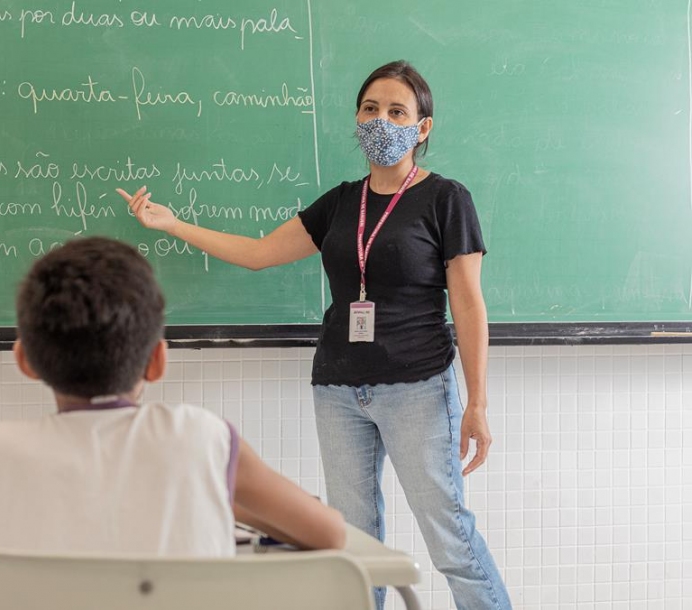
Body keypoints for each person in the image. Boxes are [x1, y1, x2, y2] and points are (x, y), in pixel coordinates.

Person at [117, 60, 512, 609]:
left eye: (398, 111)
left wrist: (478, 402)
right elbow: (257, 254)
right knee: (354, 545)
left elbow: (468, 302)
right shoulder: (341, 202)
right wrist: (173, 223)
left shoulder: (446, 198)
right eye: (371, 109)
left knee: (449, 538)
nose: (381, 121)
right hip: (338, 389)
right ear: (356, 117)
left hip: (418, 388)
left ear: (422, 128)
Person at [0, 236, 346, 594]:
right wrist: (221, 495)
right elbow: (330, 535)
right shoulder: (205, 442)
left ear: (25, 359)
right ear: (158, 359)